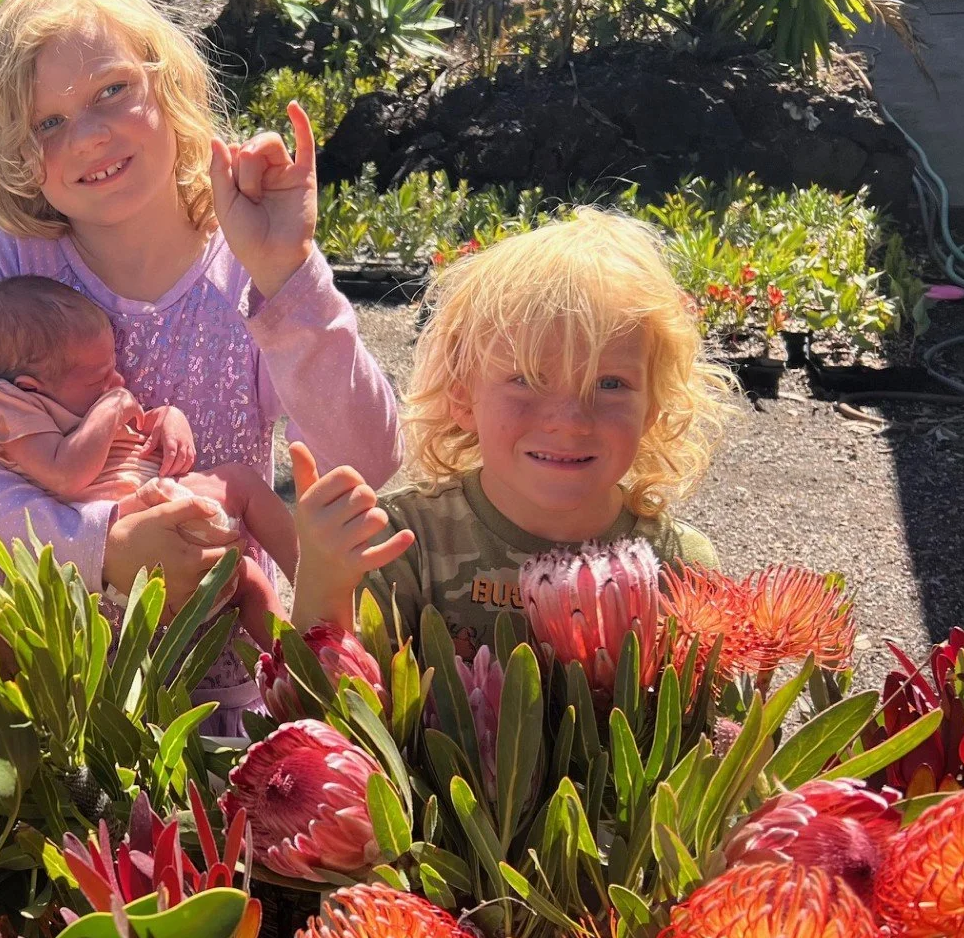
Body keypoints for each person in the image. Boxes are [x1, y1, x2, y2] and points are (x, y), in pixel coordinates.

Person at [0, 0, 401, 679]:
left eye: (112, 90)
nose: (90, 136)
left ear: (169, 81)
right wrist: (102, 546)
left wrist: (288, 276)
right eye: (49, 122)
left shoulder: (243, 266)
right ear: (16, 156)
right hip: (67, 675)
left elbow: (368, 461)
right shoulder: (19, 259)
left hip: (226, 665)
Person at [292, 208, 736, 653]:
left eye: (610, 384)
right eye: (526, 379)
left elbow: (709, 720)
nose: (569, 420)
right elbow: (332, 708)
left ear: (653, 407)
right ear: (462, 396)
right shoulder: (402, 543)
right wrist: (322, 583)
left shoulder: (679, 566)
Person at [0, 274, 299, 641]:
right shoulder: (1, 402)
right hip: (126, 532)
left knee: (245, 548)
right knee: (240, 556)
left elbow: (141, 423)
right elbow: (65, 474)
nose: (117, 380)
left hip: (164, 504)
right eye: (100, 378)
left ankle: (307, 628)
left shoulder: (87, 402)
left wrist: (169, 418)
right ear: (30, 386)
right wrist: (113, 405)